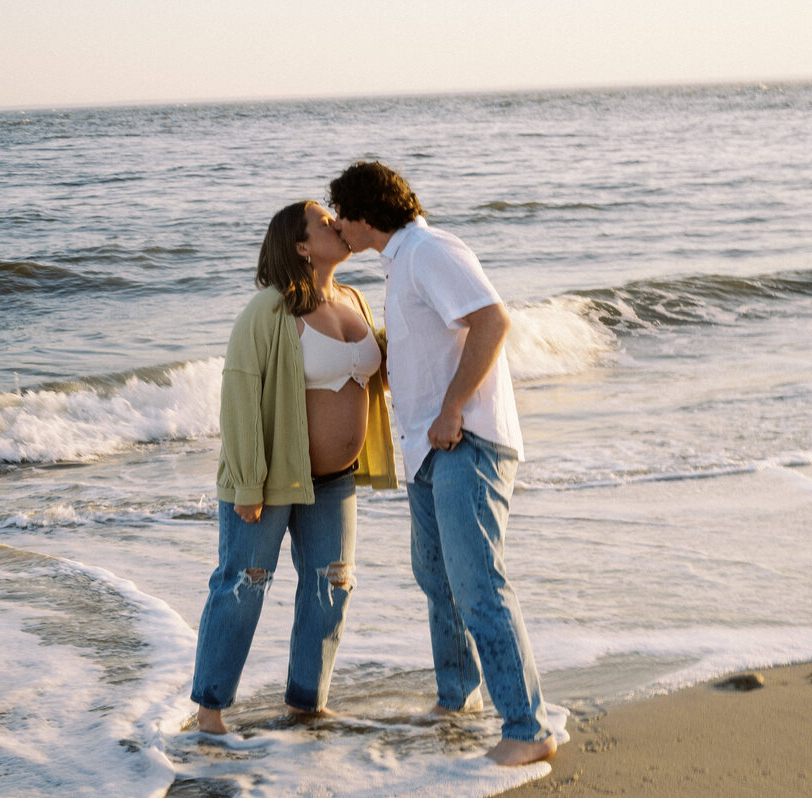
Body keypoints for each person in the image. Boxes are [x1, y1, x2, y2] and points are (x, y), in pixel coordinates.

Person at [328, 161, 557, 766]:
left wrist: (454, 408)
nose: (338, 230)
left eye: (341, 218)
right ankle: (459, 698)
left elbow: (492, 321)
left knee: (479, 586)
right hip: (429, 449)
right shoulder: (401, 262)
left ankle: (528, 730)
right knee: (438, 580)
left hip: (468, 442)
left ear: (362, 214)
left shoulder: (430, 250)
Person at [190, 200, 397, 734]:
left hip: (335, 482)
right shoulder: (269, 310)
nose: (339, 223)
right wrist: (247, 485)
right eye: (326, 222)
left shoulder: (354, 299)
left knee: (333, 585)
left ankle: (306, 704)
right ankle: (210, 713)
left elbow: (375, 374)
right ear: (301, 245)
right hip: (269, 482)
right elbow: (239, 395)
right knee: (243, 583)